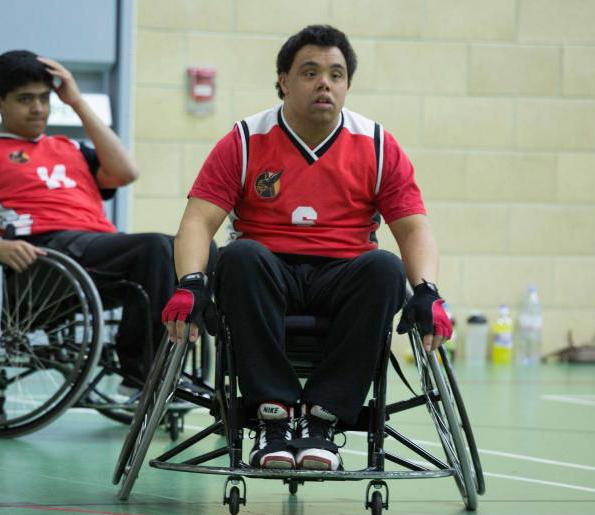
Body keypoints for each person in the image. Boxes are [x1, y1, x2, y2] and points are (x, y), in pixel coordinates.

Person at [161, 25, 451, 471]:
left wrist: (428, 289)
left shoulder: (376, 144)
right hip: (266, 273)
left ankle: (323, 419)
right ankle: (271, 416)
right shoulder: (243, 139)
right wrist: (191, 283)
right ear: (283, 81)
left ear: (347, 85)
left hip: (343, 275)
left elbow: (413, 228)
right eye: (310, 72)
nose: (325, 83)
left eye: (336, 75)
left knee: (385, 268)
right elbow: (199, 219)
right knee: (239, 255)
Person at [0, 50, 174, 392]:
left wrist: (77, 101)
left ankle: (179, 366)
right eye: (25, 99)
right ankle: (140, 373)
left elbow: (127, 172)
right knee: (156, 246)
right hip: (47, 258)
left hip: (99, 253)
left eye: (44, 98)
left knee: (192, 251)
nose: (38, 108)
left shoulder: (72, 149)